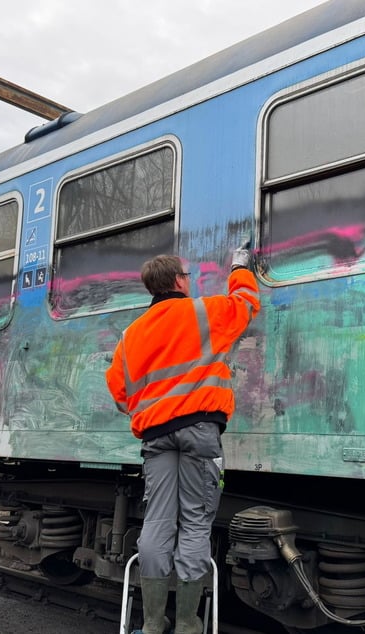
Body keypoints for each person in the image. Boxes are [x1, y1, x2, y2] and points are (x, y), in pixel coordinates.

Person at [106, 245, 260, 634]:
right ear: (178, 281)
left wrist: (149, 409)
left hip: (156, 438)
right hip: (200, 431)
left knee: (157, 523)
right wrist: (240, 267)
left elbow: (120, 392)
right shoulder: (202, 312)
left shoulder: (131, 335)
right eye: (187, 277)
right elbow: (244, 305)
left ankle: (154, 623)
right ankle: (189, 623)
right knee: (194, 522)